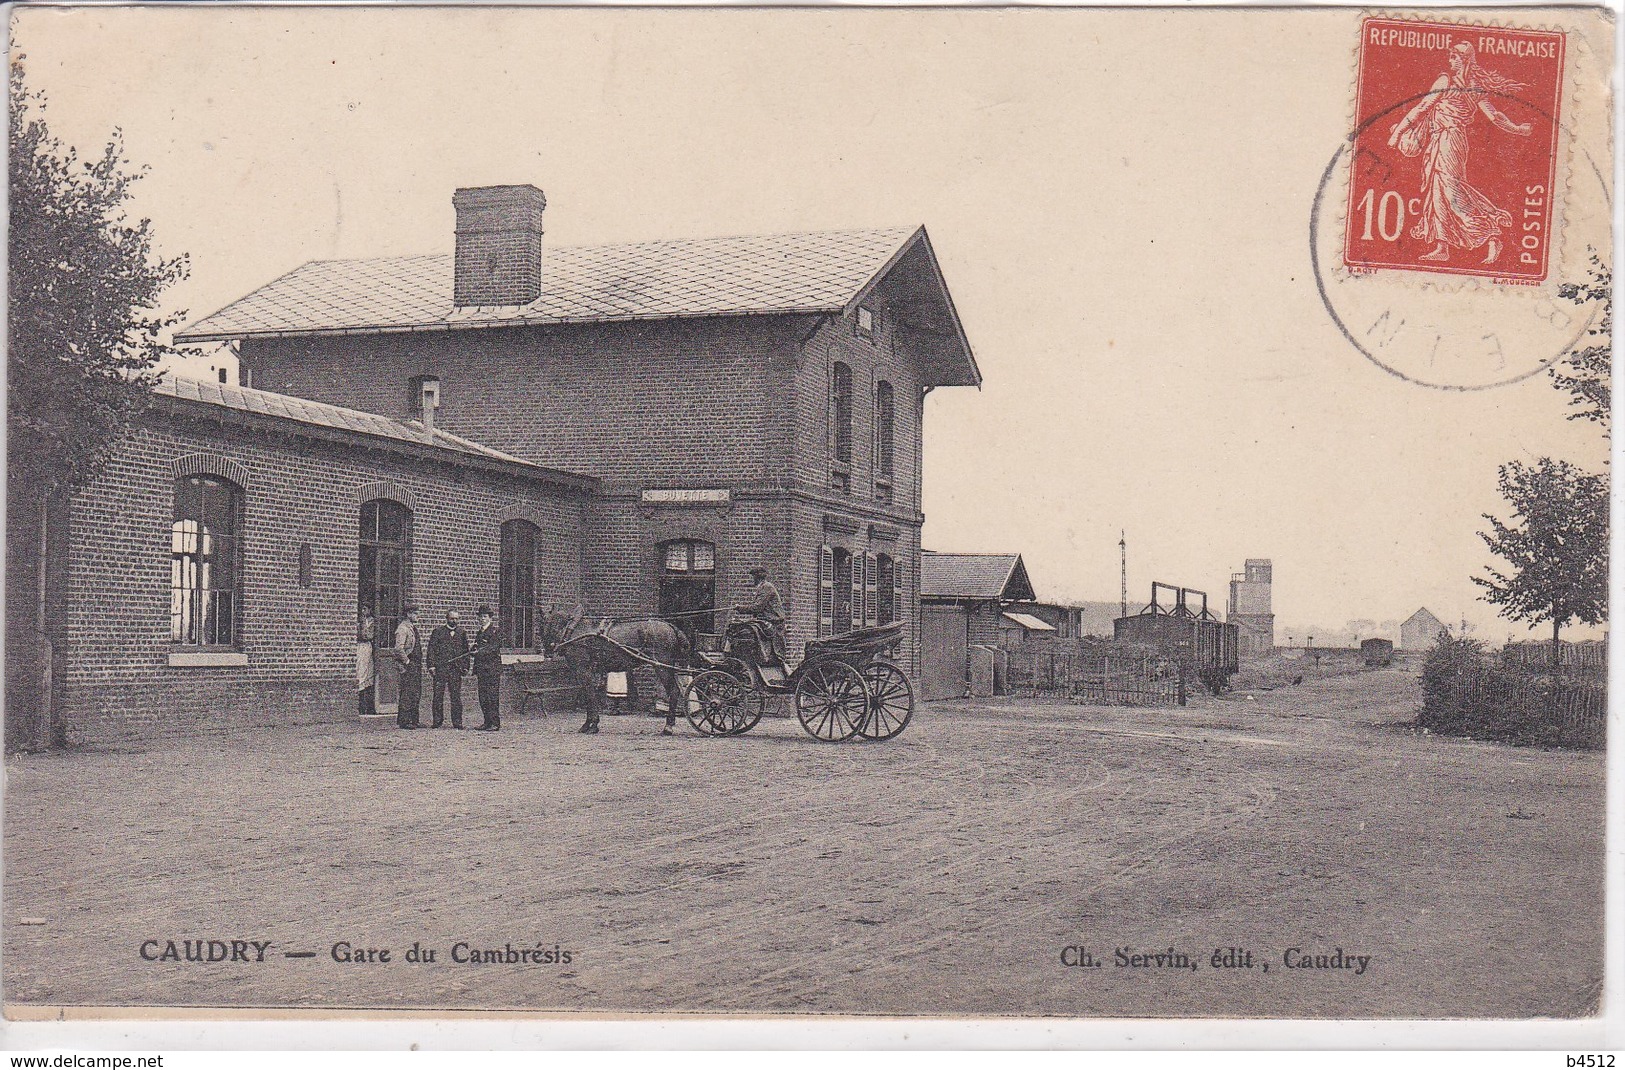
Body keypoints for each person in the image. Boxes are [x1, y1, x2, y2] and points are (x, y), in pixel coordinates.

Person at [1387, 40, 1533, 265]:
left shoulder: (1447, 81)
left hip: (1448, 140)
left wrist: (1397, 133)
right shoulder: (1474, 86)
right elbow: (1495, 117)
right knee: (1438, 191)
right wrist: (1518, 129)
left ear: (1465, 60)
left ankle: (1491, 233)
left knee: (1450, 190)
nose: (1450, 60)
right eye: (1450, 56)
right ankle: (1442, 246)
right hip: (1444, 139)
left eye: (1454, 57)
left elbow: (1422, 107)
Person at [427, 610, 470, 729]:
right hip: (441, 669)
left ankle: (457, 722)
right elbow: (431, 650)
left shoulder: (462, 633)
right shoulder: (438, 632)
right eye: (452, 618)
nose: (454, 621)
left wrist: (465, 667)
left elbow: (466, 651)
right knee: (438, 696)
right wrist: (431, 665)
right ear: (447, 619)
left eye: (456, 619)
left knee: (456, 696)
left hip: (455, 670)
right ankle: (437, 721)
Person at [734, 566, 786, 664]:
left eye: (753, 577)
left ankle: (752, 658)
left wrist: (739, 608)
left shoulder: (766, 587)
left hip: (772, 622)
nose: (753, 579)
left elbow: (757, 608)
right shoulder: (764, 587)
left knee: (739, 629)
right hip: (768, 620)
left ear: (758, 577)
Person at [470, 605, 503, 731]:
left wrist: (478, 652)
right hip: (481, 669)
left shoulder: (495, 632)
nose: (482, 619)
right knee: (483, 697)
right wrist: (473, 649)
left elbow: (493, 648)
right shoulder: (480, 632)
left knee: (492, 696)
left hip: (492, 670)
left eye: (485, 616)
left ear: (490, 618)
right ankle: (487, 721)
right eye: (480, 617)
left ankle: (495, 723)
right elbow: (479, 647)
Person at [393, 605, 424, 729]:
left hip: (415, 664)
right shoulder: (403, 628)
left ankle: (414, 720)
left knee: (415, 692)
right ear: (408, 614)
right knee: (407, 692)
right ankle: (404, 721)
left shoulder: (411, 628)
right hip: (409, 664)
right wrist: (407, 662)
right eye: (415, 614)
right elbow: (398, 648)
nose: (417, 616)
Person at [357, 608, 377, 716]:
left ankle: (369, 706)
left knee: (367, 674)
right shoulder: (360, 621)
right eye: (362, 609)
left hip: (367, 647)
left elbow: (368, 635)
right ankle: (362, 706)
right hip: (361, 648)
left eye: (365, 609)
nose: (363, 611)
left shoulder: (372, 621)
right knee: (361, 673)